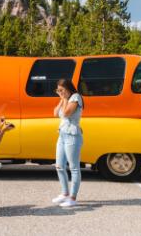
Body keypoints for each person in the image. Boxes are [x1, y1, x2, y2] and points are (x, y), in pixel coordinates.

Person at [52, 79, 84, 207]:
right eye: (58, 90)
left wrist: (64, 98)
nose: (59, 92)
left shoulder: (76, 97)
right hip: (62, 134)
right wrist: (61, 99)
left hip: (72, 135)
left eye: (61, 90)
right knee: (59, 165)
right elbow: (55, 113)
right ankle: (64, 193)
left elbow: (66, 113)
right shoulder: (64, 99)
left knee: (74, 167)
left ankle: (72, 197)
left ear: (68, 88)